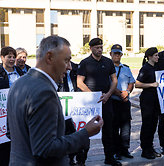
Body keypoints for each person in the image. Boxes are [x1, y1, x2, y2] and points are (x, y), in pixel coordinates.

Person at [6, 35, 103, 166]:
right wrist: (85, 133)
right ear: (50, 57)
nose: (69, 67)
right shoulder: (44, 92)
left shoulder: (18, 84)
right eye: (66, 60)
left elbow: (11, 133)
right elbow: (45, 148)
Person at [77, 38, 120, 166]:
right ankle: (81, 160)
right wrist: (93, 96)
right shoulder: (85, 63)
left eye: (101, 47)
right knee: (86, 132)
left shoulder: (108, 62)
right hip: (90, 103)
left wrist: (108, 94)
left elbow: (114, 80)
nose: (100, 50)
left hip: (106, 101)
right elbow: (80, 82)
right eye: (97, 47)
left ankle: (109, 157)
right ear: (91, 48)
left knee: (109, 131)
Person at [136, 47, 162, 159]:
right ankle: (145, 149)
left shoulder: (157, 67)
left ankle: (150, 147)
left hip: (156, 100)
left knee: (153, 125)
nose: (158, 57)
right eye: (156, 55)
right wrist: (151, 84)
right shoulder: (145, 68)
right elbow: (137, 84)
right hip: (147, 100)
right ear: (150, 57)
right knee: (147, 125)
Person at [110, 44, 135, 160]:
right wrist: (120, 93)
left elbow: (131, 82)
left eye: (119, 53)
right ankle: (116, 151)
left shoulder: (126, 68)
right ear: (111, 54)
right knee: (114, 128)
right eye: (115, 53)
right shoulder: (108, 68)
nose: (117, 55)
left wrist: (127, 92)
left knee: (126, 128)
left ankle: (125, 149)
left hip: (125, 102)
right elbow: (108, 84)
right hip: (114, 101)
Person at [0, 46, 24, 166]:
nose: (12, 59)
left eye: (13, 57)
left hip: (19, 111)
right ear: (2, 57)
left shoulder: (21, 72)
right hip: (3, 114)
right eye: (9, 56)